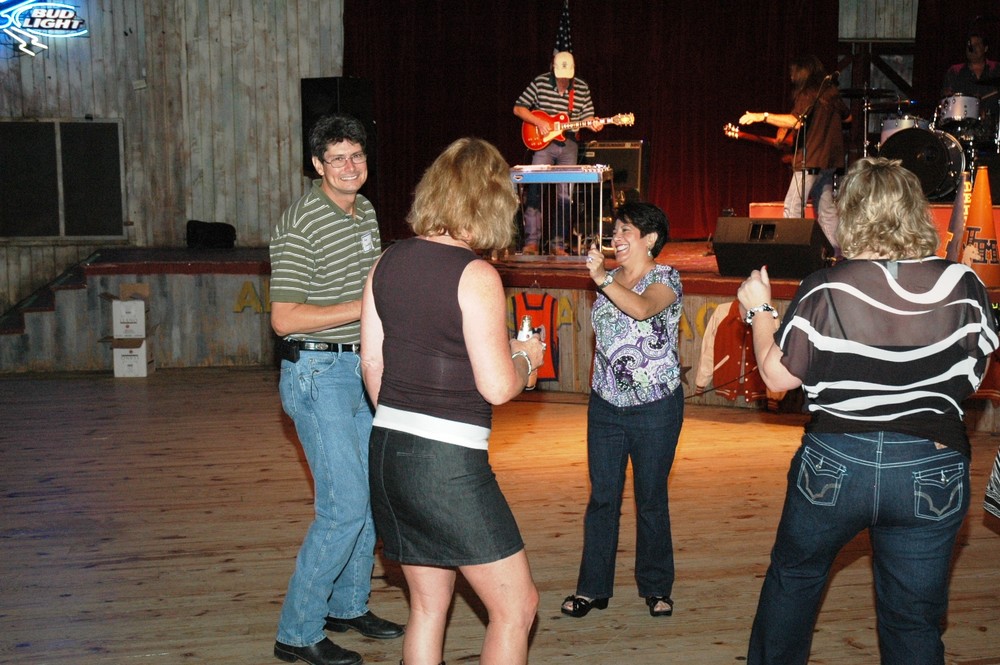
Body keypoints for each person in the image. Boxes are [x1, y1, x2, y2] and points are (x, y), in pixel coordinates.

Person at [736, 156, 1000, 665]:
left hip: (836, 464)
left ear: (853, 215)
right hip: (932, 465)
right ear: (916, 211)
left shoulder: (827, 286)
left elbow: (777, 379)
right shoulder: (963, 283)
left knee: (795, 582)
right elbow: (974, 374)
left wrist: (760, 311)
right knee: (913, 623)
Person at [359, 137, 545, 665]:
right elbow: (497, 387)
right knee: (516, 608)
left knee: (427, 606)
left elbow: (371, 364)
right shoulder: (477, 275)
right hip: (447, 466)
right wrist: (526, 357)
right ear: (492, 201)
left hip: (388, 449)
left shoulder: (386, 261)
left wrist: (408, 417)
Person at [270, 114, 404, 665]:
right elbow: (283, 318)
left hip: (358, 368)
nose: (350, 167)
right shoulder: (300, 223)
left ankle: (348, 606)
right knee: (343, 506)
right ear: (316, 165)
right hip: (317, 371)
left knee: (369, 495)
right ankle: (297, 632)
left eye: (357, 156)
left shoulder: (365, 210)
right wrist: (363, 306)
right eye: (337, 158)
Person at [561, 201, 684, 620]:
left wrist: (601, 279)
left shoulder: (666, 278)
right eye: (615, 230)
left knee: (651, 499)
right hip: (606, 406)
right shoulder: (609, 279)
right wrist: (604, 279)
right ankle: (592, 588)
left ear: (650, 238)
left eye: (625, 230)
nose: (616, 237)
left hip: (656, 407)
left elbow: (643, 308)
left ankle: (657, 587)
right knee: (602, 498)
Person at [739, 55, 850, 255]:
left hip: (810, 160)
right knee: (826, 210)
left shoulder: (807, 93)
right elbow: (848, 117)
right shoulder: (830, 93)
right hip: (828, 162)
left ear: (803, 72)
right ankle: (835, 254)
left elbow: (795, 122)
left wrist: (761, 116)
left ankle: (793, 254)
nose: (791, 76)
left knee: (793, 208)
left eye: (793, 72)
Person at [513, 50, 602, 254]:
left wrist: (593, 123)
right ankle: (531, 242)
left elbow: (588, 116)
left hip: (569, 143)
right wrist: (538, 122)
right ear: (553, 68)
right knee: (535, 190)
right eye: (560, 76)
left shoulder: (581, 88)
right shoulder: (540, 82)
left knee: (565, 194)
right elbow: (518, 108)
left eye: (566, 77)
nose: (563, 80)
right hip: (543, 144)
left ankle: (558, 244)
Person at [941, 31, 1000, 149]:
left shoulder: (997, 69)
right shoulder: (955, 71)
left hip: (994, 127)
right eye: (969, 45)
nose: (971, 48)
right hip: (963, 130)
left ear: (985, 48)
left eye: (976, 45)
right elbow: (946, 99)